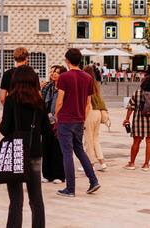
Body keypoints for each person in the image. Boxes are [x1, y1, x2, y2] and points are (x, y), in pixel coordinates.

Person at [0, 65, 49, 228]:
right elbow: (46, 130)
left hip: (15, 152)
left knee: (15, 200)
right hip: (34, 151)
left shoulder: (10, 100)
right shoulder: (39, 101)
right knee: (36, 199)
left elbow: (5, 129)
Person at [54, 48, 100, 197]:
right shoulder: (88, 78)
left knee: (67, 153)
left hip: (66, 119)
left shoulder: (64, 77)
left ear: (67, 60)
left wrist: (57, 116)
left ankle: (70, 188)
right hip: (79, 120)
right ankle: (93, 181)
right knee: (79, 150)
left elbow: (60, 101)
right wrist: (82, 118)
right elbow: (88, 104)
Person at [122, 76, 150, 171]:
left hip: (138, 121)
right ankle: (146, 164)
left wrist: (127, 119)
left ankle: (132, 163)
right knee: (149, 142)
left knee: (136, 142)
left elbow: (131, 107)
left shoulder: (137, 93)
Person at [40, 65, 66, 183]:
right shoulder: (47, 87)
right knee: (46, 146)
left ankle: (59, 175)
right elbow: (41, 102)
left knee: (57, 147)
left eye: (57, 72)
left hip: (59, 120)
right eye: (53, 72)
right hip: (47, 119)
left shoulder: (64, 88)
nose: (54, 74)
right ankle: (47, 174)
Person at [82, 65, 108, 172]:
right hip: (98, 112)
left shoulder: (85, 83)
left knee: (88, 139)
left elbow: (86, 102)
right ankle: (102, 163)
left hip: (90, 112)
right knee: (95, 139)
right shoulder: (95, 84)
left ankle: (90, 164)